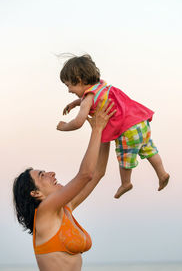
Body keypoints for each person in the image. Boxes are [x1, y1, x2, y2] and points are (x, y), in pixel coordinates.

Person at [13, 99, 116, 271]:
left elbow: (97, 173)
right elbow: (85, 175)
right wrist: (97, 129)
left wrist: (105, 133)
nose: (51, 173)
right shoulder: (44, 212)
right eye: (42, 175)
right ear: (35, 193)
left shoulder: (65, 208)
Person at [57, 54, 170, 199]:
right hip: (141, 122)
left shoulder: (88, 98)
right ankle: (162, 174)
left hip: (127, 130)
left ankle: (126, 183)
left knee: (125, 157)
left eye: (69, 85)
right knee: (149, 149)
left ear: (79, 80)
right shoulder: (103, 86)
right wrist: (75, 103)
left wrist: (64, 126)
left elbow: (78, 122)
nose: (69, 90)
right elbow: (90, 98)